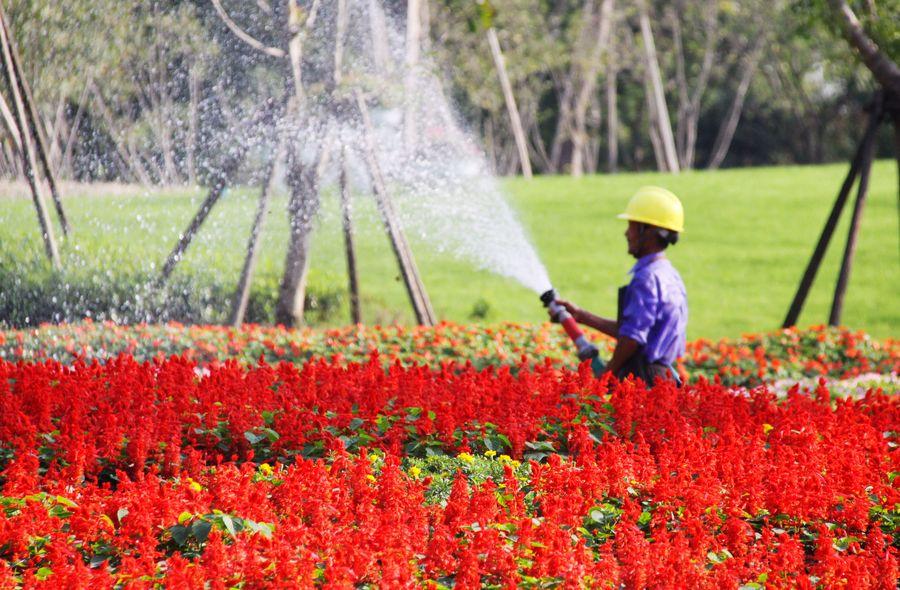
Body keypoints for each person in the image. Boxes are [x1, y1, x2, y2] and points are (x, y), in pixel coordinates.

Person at [554, 186, 687, 384]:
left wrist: (607, 375)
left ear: (647, 231)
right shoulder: (670, 274)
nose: (627, 233)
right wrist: (581, 316)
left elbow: (632, 339)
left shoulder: (647, 279)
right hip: (663, 377)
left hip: (644, 379)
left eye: (631, 226)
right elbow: (634, 330)